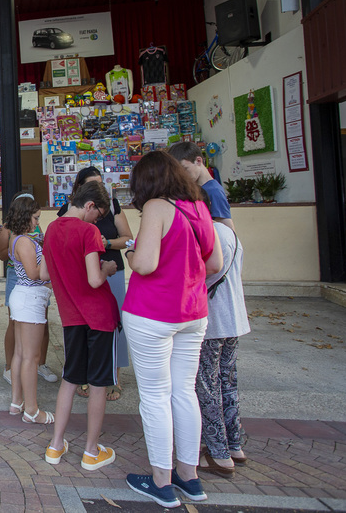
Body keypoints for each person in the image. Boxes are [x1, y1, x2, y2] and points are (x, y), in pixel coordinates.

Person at [122, 151, 223, 507]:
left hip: (152, 313)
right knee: (184, 393)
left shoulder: (156, 208)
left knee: (154, 396)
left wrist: (131, 255)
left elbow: (145, 264)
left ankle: (161, 482)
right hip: (193, 314)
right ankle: (189, 476)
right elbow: (215, 262)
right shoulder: (198, 207)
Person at [42, 181, 119, 471]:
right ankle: (90, 451)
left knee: (70, 380)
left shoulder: (51, 229)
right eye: (98, 214)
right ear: (89, 206)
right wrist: (107, 268)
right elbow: (95, 280)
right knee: (98, 384)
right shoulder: (89, 231)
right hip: (98, 317)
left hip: (71, 316)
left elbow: (44, 272)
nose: (97, 220)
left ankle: (55, 445)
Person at [58, 167, 133, 401]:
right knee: (85, 328)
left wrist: (107, 242)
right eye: (93, 184)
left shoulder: (113, 207)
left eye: (101, 183)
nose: (99, 189)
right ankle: (87, 377)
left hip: (112, 270)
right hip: (85, 276)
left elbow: (128, 239)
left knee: (113, 324)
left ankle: (113, 378)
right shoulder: (67, 214)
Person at [196, 221, 250, 477]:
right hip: (234, 317)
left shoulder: (207, 232)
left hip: (213, 319)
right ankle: (234, 445)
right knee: (228, 383)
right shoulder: (230, 231)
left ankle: (218, 453)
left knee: (207, 386)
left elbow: (203, 271)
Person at [2, 194, 54, 425]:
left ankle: (17, 402)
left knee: (21, 354)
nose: (37, 222)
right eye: (35, 218)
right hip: (30, 297)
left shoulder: (18, 239)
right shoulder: (24, 241)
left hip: (24, 297)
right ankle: (32, 410)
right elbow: (35, 273)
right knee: (30, 358)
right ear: (26, 216)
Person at [168, 141, 234, 231]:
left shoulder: (214, 191)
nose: (181, 176)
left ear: (198, 161)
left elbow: (228, 231)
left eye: (185, 169)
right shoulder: (191, 189)